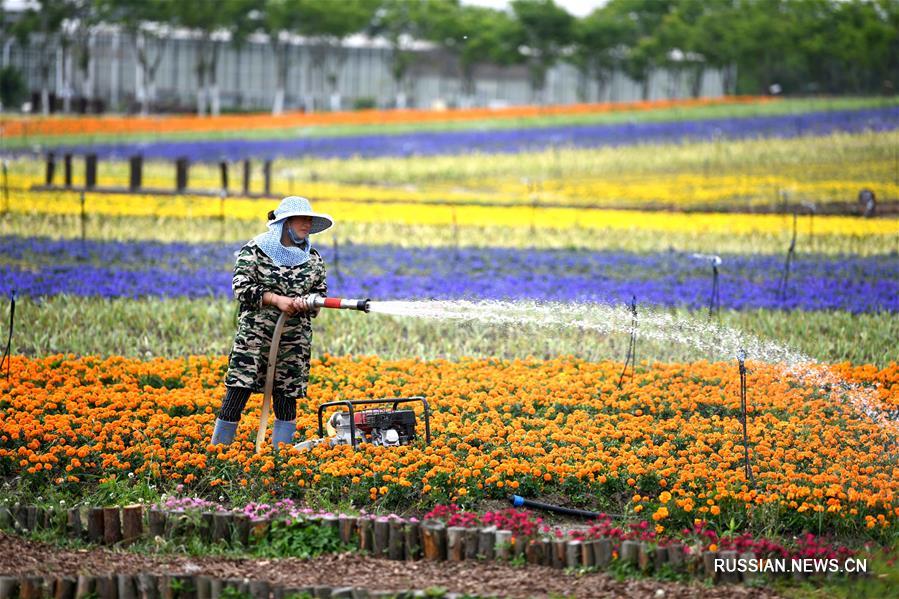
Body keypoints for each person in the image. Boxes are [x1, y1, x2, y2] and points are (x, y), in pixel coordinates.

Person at [210, 196, 331, 449]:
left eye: (310, 219)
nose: (307, 223)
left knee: (287, 395)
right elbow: (241, 288)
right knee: (239, 388)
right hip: (255, 337)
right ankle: (218, 453)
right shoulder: (255, 250)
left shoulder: (314, 259)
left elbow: (320, 294)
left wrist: (307, 303)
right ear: (285, 222)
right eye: (302, 218)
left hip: (294, 339)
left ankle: (281, 458)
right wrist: (277, 300)